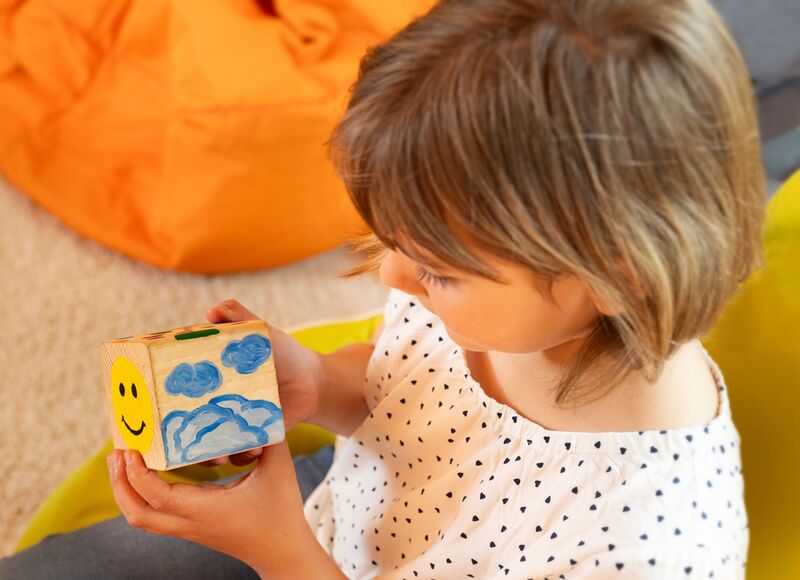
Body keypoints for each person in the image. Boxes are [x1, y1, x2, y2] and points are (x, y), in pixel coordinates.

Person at [0, 0, 765, 577]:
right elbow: (406, 390)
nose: (393, 278)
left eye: (435, 268)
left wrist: (276, 549)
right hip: (335, 517)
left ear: (612, 276)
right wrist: (320, 385)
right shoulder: (509, 299)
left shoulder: (643, 542)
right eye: (392, 241)